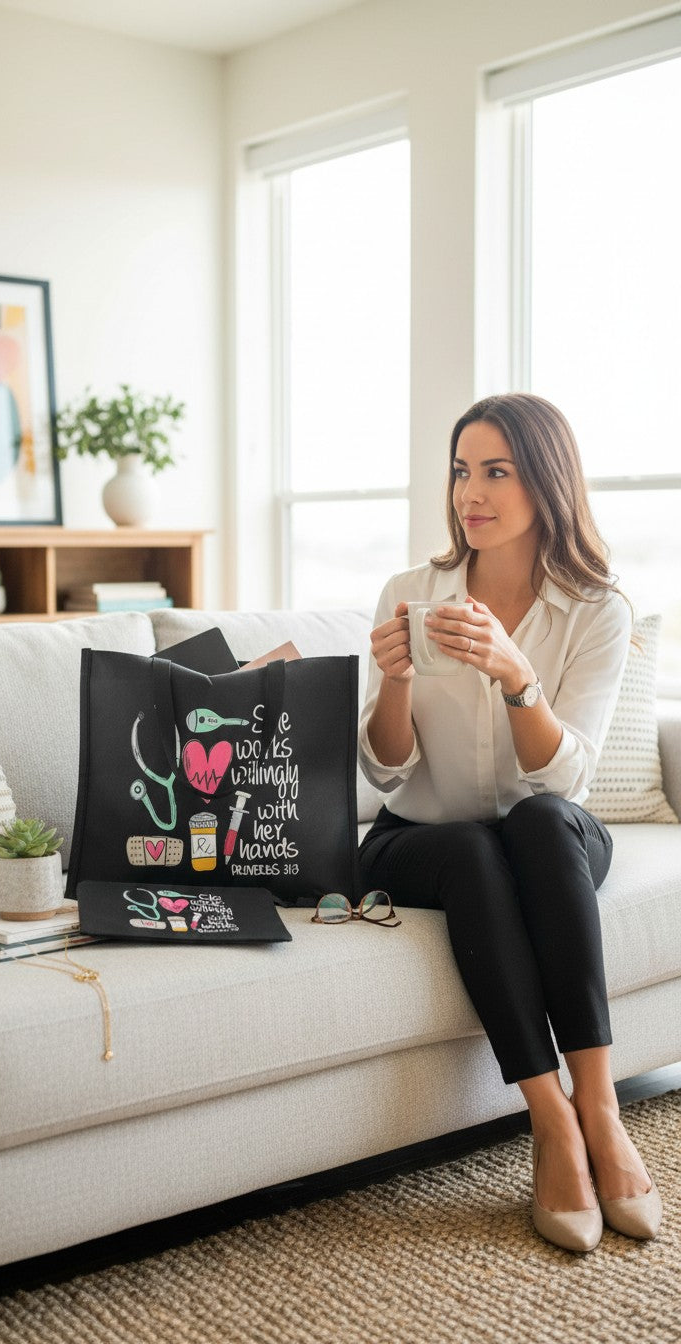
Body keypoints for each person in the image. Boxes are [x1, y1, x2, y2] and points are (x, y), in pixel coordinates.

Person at [358, 392, 662, 1254]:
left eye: (497, 471)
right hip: (424, 839)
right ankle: (552, 1123)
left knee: (533, 825)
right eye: (462, 471)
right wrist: (398, 681)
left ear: (547, 483)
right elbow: (383, 769)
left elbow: (566, 777)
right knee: (470, 850)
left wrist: (518, 675)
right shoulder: (411, 592)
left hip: (549, 837)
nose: (471, 493)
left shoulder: (598, 608)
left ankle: (600, 1109)